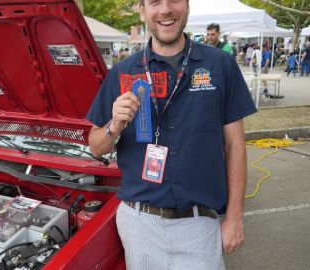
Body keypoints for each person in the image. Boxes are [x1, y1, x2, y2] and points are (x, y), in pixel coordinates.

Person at [86, 0, 256, 269]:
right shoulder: (122, 72)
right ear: (143, 11)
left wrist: (235, 217)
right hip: (140, 225)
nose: (165, 10)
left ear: (187, 6)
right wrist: (114, 125)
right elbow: (95, 146)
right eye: (154, 2)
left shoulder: (220, 65)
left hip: (199, 225)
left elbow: (235, 145)